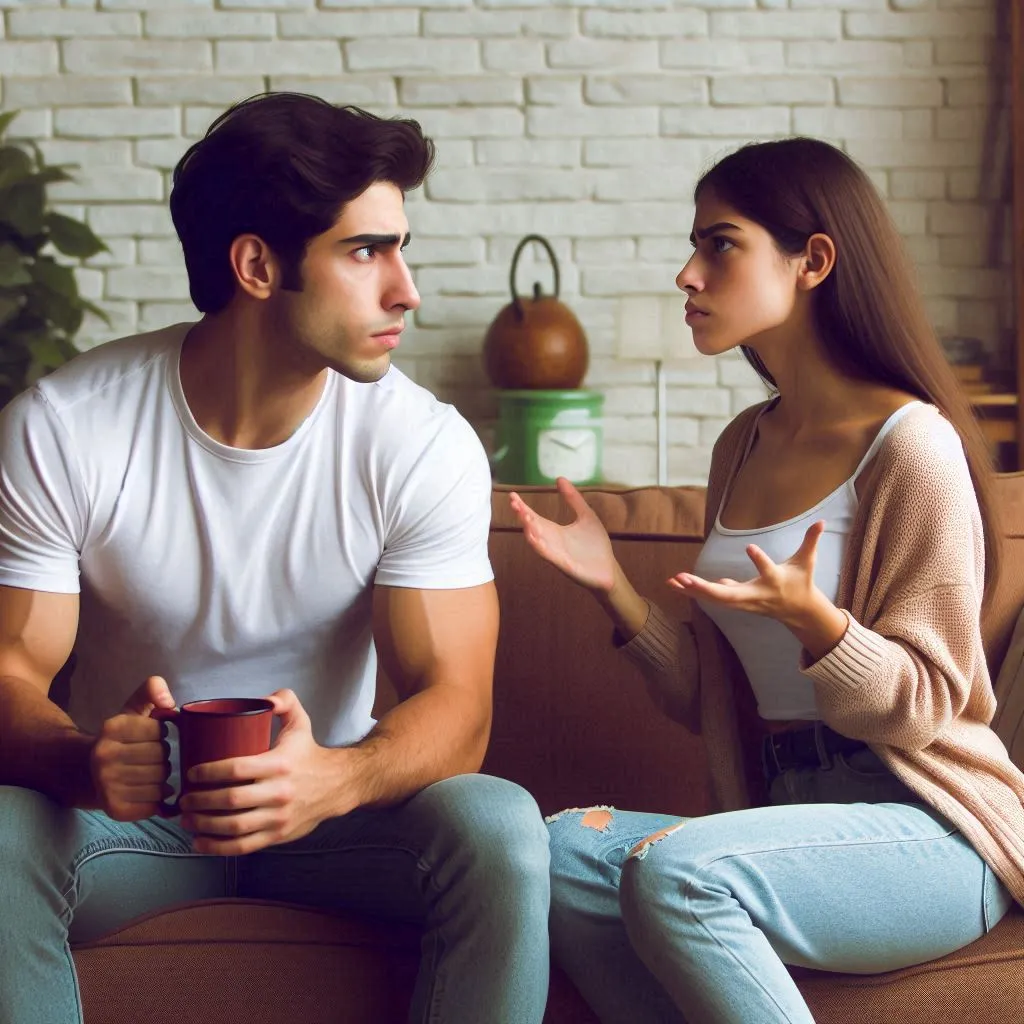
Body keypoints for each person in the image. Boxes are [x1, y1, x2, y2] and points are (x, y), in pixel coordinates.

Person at [0, 92, 551, 1024]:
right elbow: (12, 669)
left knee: (498, 827)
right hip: (130, 828)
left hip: (332, 821)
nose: (406, 288)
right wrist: (88, 761)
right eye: (365, 250)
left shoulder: (421, 444)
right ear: (257, 265)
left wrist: (336, 778)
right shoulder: (66, 428)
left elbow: (457, 705)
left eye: (399, 246)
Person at [510, 136, 1024, 1024]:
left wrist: (821, 627)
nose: (687, 274)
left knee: (678, 872)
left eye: (720, 244)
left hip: (933, 832)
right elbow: (712, 699)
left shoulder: (912, 446)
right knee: (553, 855)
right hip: (781, 816)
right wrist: (613, 589)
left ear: (813, 260)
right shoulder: (742, 444)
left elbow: (931, 702)